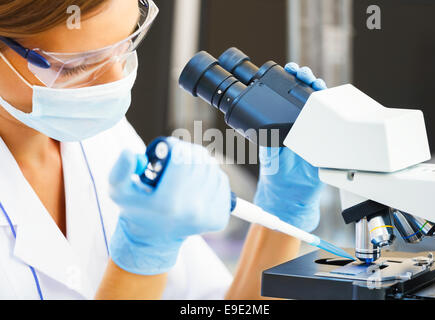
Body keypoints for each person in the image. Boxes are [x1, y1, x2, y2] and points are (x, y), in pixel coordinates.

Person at [0, 0, 326, 300]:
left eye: (125, 44)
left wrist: (282, 211)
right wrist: (143, 257)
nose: (115, 82)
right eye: (75, 67)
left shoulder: (100, 136)